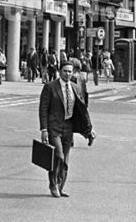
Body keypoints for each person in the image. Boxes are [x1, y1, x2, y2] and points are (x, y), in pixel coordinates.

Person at [38, 61, 92, 198]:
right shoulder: (50, 87)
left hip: (68, 126)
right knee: (58, 156)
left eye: (70, 71)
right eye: (65, 71)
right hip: (54, 127)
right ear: (59, 71)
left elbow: (82, 110)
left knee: (65, 160)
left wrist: (88, 129)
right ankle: (53, 183)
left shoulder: (75, 87)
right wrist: (44, 129)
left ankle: (60, 187)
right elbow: (43, 109)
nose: (67, 74)